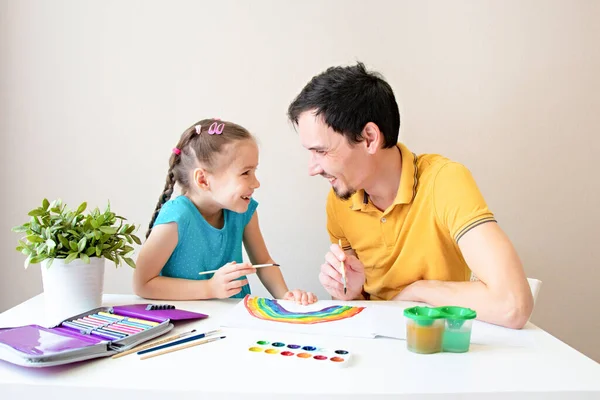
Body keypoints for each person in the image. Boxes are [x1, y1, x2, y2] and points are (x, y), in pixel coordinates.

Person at [287, 63, 533, 328]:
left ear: (369, 138)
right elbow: (363, 311)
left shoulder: (444, 181)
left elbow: (513, 305)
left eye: (321, 152)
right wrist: (351, 294)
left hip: (438, 342)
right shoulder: (339, 200)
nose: (312, 168)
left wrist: (419, 292)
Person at [133, 118, 317, 305]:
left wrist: (285, 296)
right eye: (246, 173)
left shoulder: (244, 210)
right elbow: (143, 284)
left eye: (254, 171)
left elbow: (264, 262)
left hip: (233, 317)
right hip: (189, 322)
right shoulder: (177, 218)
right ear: (203, 180)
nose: (256, 183)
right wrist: (209, 288)